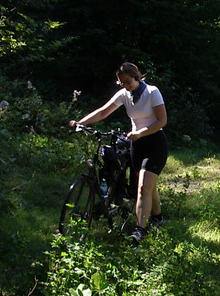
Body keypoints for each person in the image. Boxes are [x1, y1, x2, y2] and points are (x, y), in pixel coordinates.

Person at [70, 62, 168, 244]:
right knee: (147, 185)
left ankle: (139, 231)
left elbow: (162, 121)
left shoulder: (152, 92)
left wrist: (140, 132)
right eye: (121, 83)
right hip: (137, 145)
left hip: (155, 143)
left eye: (128, 82)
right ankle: (158, 217)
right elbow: (103, 112)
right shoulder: (124, 95)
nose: (125, 85)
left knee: (143, 187)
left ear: (137, 78)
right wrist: (80, 123)